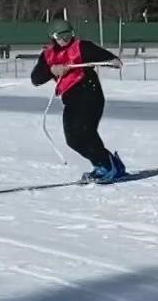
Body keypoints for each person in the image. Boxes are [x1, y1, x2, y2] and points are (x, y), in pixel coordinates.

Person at [30, 21, 127, 182]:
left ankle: (107, 166)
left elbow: (108, 58)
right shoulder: (47, 56)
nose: (65, 39)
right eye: (60, 36)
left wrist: (113, 61)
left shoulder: (82, 47)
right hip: (70, 99)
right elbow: (36, 79)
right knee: (73, 139)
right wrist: (52, 70)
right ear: (53, 37)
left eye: (68, 35)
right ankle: (107, 164)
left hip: (90, 93)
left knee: (86, 133)